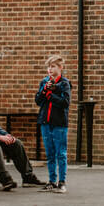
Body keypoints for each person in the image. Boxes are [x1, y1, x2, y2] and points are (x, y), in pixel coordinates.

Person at [36, 55, 71, 193]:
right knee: (50, 153)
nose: (50, 69)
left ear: (60, 68)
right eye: (48, 67)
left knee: (60, 153)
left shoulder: (64, 84)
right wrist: (45, 90)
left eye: (53, 66)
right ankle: (51, 181)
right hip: (45, 122)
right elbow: (38, 101)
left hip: (59, 123)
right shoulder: (44, 81)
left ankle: (61, 182)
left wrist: (51, 94)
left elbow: (65, 103)